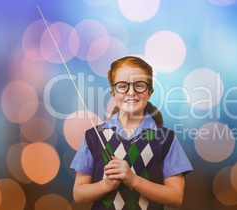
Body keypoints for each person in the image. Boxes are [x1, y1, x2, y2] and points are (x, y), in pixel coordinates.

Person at [70, 56, 193, 210]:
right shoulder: (93, 137)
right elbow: (79, 195)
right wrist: (106, 184)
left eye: (139, 86)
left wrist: (133, 180)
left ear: (149, 92)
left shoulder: (166, 139)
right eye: (122, 86)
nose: (131, 92)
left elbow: (175, 198)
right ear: (113, 93)